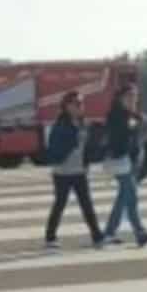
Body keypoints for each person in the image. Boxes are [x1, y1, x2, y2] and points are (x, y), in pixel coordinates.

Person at [43, 91, 105, 249]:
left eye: (81, 104)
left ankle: (97, 235)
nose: (80, 107)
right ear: (67, 106)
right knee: (60, 204)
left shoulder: (83, 124)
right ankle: (50, 237)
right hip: (62, 172)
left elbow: (88, 147)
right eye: (76, 104)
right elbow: (55, 148)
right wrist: (74, 139)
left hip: (79, 171)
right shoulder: (60, 126)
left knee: (87, 204)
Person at [101, 84, 147, 247]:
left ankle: (110, 232)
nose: (133, 99)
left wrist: (145, 129)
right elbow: (119, 139)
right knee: (130, 196)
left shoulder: (133, 116)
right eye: (129, 97)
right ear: (121, 99)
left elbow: (146, 130)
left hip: (128, 162)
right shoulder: (116, 115)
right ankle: (139, 232)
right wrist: (135, 129)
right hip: (119, 161)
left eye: (135, 96)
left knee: (125, 198)